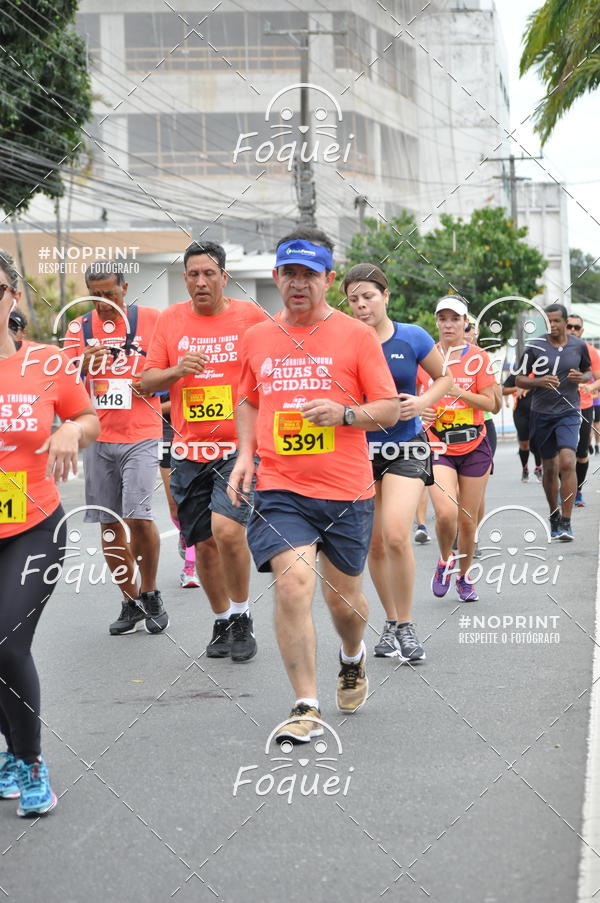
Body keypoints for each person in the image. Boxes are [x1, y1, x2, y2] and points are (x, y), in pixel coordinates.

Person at [227, 228, 399, 743]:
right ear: (277, 277)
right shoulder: (257, 337)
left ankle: (353, 656)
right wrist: (245, 455)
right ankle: (306, 703)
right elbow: (249, 399)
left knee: (345, 602)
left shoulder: (355, 336)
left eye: (309, 274)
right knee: (295, 582)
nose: (298, 283)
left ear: (327, 278)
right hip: (280, 488)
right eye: (289, 273)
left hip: (346, 490)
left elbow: (388, 408)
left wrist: (344, 414)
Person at [0, 256, 100, 816]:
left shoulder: (45, 362)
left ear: (13, 295)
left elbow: (89, 418)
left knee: (5, 641)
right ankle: (12, 755)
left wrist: (69, 429)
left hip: (32, 523)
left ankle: (30, 759)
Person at [142, 241, 267, 662]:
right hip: (189, 450)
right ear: (185, 280)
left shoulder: (250, 318)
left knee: (228, 531)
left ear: (224, 278)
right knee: (204, 542)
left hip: (238, 449)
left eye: (209, 274)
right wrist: (177, 371)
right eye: (193, 275)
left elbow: (273, 369)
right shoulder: (170, 320)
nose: (200, 281)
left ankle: (244, 615)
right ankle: (223, 619)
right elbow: (144, 381)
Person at [344, 263, 452, 660]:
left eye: (368, 296)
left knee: (395, 534)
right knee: (373, 544)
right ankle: (390, 622)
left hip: (405, 448)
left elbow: (445, 378)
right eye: (353, 298)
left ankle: (406, 626)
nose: (361, 305)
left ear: (386, 296)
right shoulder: (345, 340)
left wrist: (422, 402)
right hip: (358, 451)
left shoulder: (413, 336)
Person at [62, 261, 169, 635]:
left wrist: (153, 384)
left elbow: (167, 370)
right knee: (108, 524)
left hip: (141, 432)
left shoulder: (154, 320)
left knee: (139, 517)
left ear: (125, 287)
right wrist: (81, 365)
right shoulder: (79, 328)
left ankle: (152, 590)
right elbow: (64, 379)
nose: (105, 302)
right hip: (97, 438)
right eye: (97, 296)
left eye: (111, 293)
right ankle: (130, 600)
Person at [419, 295, 500, 602]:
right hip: (438, 444)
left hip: (475, 443)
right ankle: (444, 560)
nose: (449, 324)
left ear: (466, 323)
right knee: (445, 512)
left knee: (467, 521)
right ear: (436, 322)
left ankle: (464, 577)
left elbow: (492, 403)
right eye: (443, 319)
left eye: (455, 319)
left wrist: (458, 392)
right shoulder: (425, 357)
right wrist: (420, 410)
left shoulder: (478, 357)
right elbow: (411, 397)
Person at [515, 304, 591, 541]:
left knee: (568, 461)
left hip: (569, 412)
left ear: (565, 322)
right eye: (548, 321)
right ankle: (554, 514)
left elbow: (589, 372)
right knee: (550, 468)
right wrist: (538, 382)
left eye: (557, 320)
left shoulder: (578, 345)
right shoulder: (535, 346)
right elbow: (518, 378)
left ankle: (567, 522)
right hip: (542, 414)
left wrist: (582, 377)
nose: (553, 325)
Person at [157, 391, 200, 588]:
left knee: (193, 508)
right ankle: (185, 534)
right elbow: (151, 401)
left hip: (198, 436)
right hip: (168, 438)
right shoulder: (159, 366)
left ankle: (189, 569)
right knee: (175, 507)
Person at [565, 314, 600, 507]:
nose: (572, 330)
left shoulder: (591, 351)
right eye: (568, 326)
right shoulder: (555, 351)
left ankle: (577, 490)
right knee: (563, 453)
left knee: (581, 452)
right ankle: (566, 489)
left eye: (576, 327)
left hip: (584, 407)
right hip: (560, 408)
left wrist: (591, 387)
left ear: (582, 331)